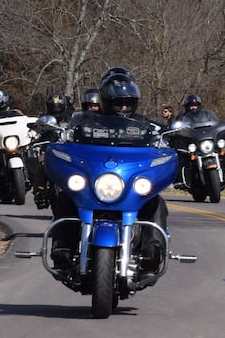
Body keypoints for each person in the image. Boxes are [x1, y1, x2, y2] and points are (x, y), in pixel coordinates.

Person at [49, 69, 169, 272]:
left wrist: (174, 136)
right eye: (117, 102)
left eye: (127, 102)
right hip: (94, 181)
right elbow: (64, 135)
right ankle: (62, 247)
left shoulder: (146, 126)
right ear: (105, 100)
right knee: (66, 198)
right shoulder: (83, 122)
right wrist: (54, 134)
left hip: (127, 182)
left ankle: (152, 250)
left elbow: (166, 138)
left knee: (155, 201)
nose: (123, 107)